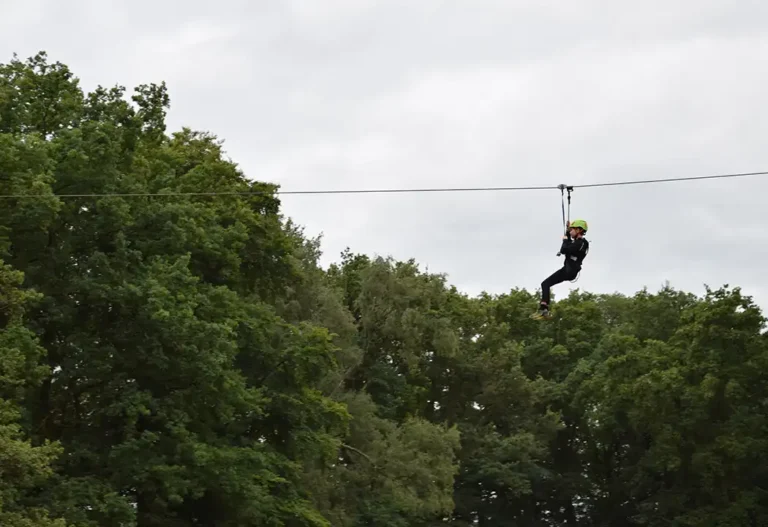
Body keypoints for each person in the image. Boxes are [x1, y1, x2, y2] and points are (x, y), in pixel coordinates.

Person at [536, 219, 589, 318]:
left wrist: (565, 239)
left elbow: (564, 249)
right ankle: (544, 308)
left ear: (578, 230)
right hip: (567, 270)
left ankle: (544, 309)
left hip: (570, 271)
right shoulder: (577, 243)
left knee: (546, 283)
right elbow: (569, 245)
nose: (571, 232)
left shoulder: (581, 243)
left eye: (572, 230)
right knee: (545, 284)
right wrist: (567, 232)